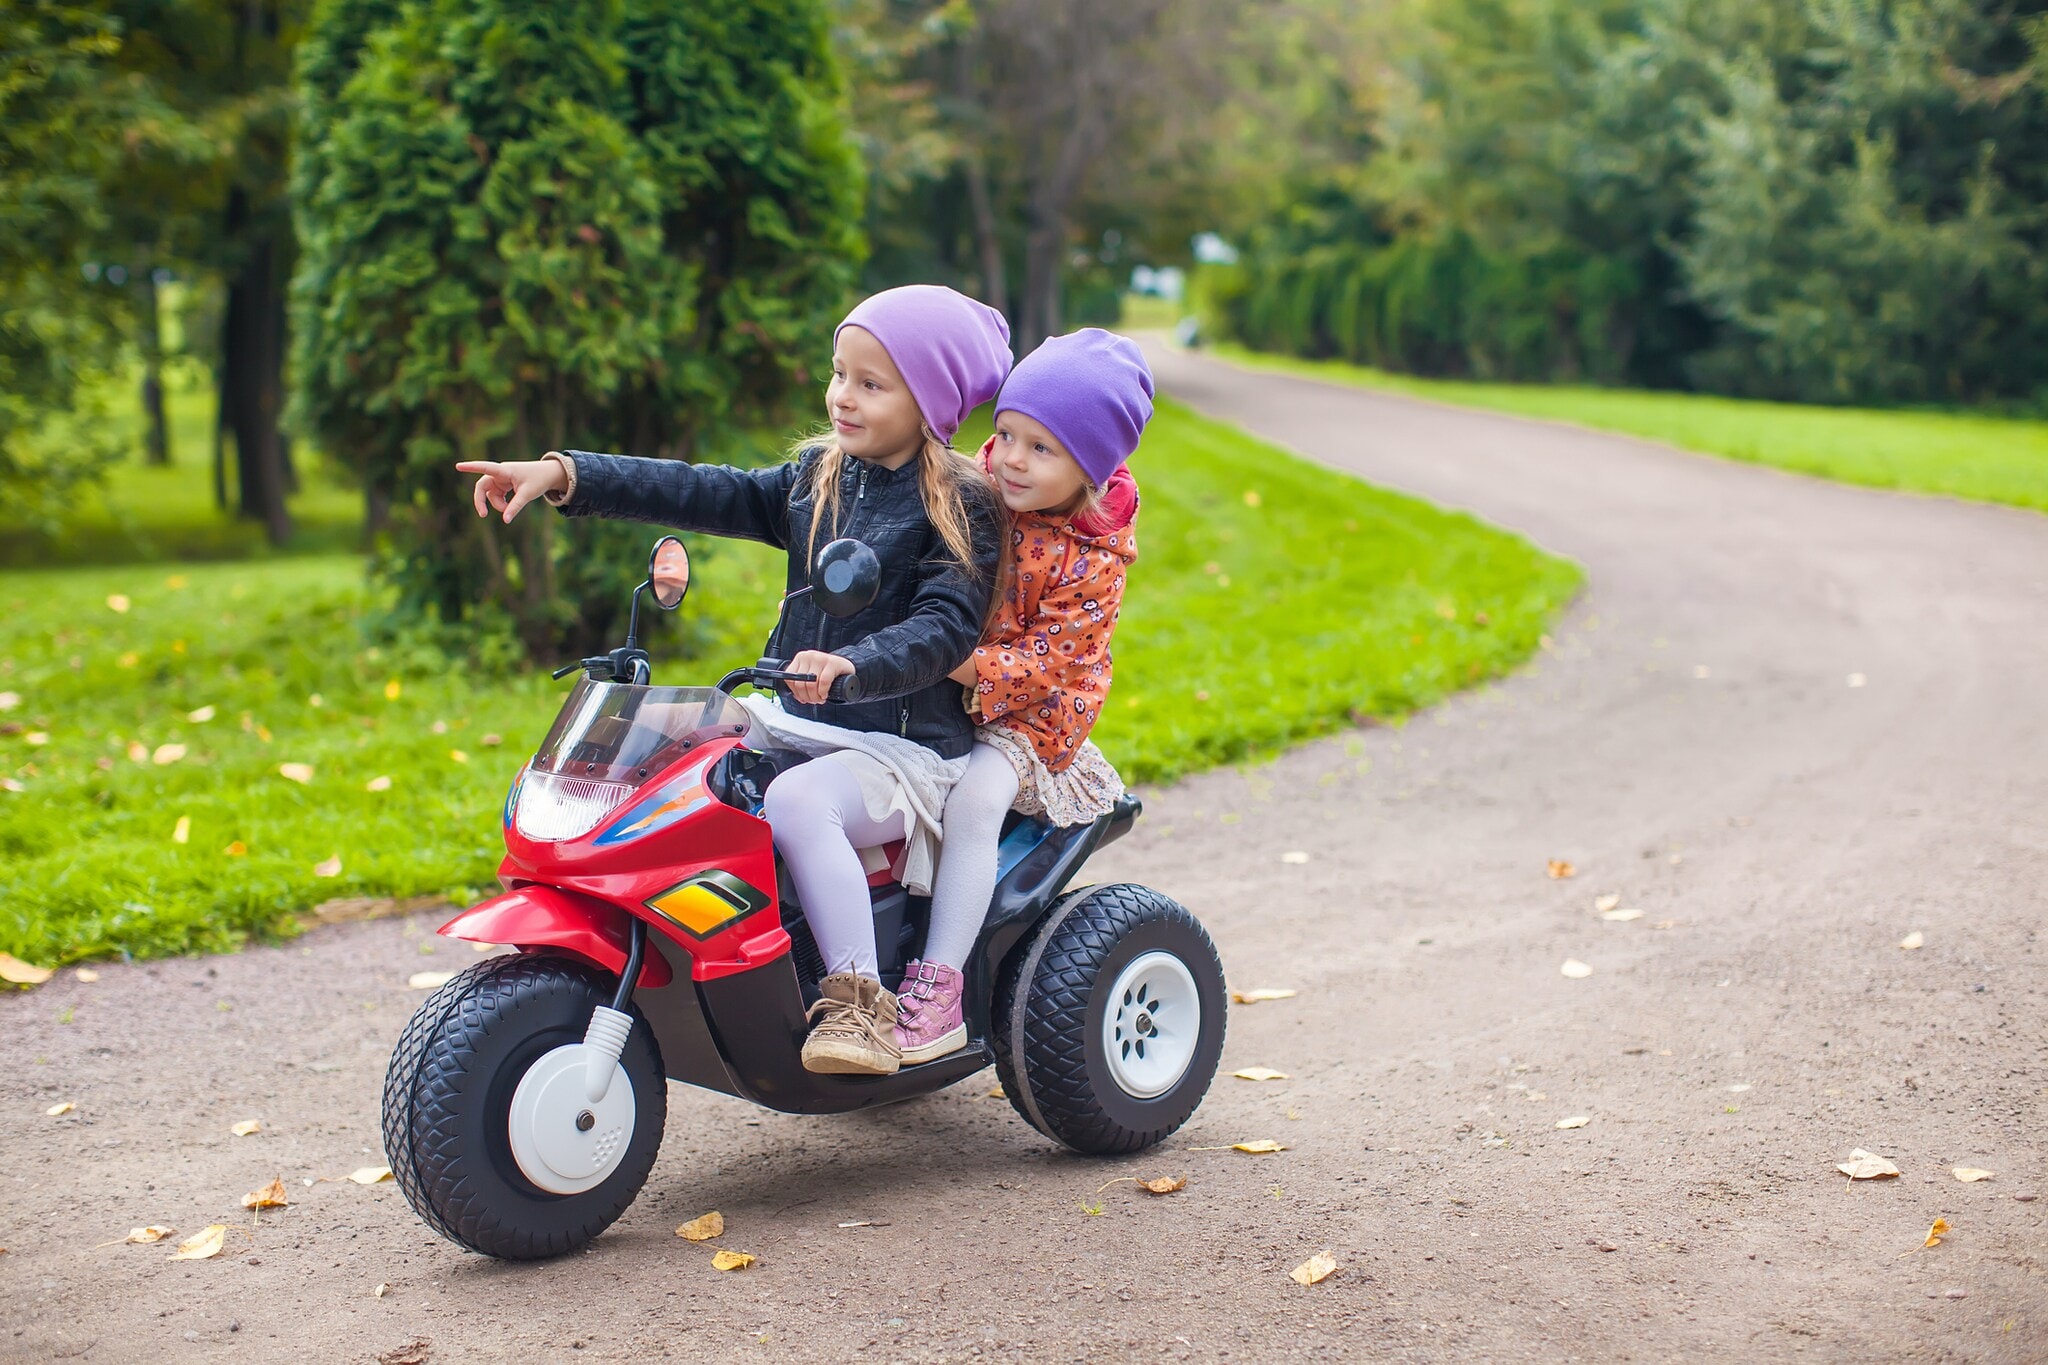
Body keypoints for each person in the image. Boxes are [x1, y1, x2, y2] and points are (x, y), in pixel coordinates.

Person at [456, 285, 1011, 1076]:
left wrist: (855, 666)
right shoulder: (821, 473)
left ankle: (859, 1003)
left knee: (793, 799)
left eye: (870, 383)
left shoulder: (960, 504)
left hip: (901, 747)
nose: (841, 397)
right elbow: (699, 488)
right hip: (799, 717)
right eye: (838, 372)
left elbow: (946, 627)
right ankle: (669, 933)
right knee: (675, 753)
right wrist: (563, 473)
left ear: (931, 404)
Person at [894, 328, 1153, 1065]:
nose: (1010, 456)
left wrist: (945, 656)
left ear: (1091, 467)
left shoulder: (1094, 559)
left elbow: (1043, 662)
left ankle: (940, 985)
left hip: (1029, 712)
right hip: (948, 678)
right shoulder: (976, 488)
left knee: (973, 801)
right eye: (1005, 433)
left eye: (1041, 448)